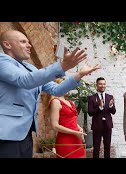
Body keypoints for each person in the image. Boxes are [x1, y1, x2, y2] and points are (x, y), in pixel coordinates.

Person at [0, 30, 101, 158]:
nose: (29, 45)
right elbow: (25, 80)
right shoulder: (2, 61)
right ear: (7, 44)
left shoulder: (30, 68)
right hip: (5, 135)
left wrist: (79, 75)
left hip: (25, 135)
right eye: (23, 41)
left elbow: (57, 90)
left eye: (28, 42)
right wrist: (62, 66)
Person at [48, 78, 86, 158]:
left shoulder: (70, 102)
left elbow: (71, 121)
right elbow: (54, 125)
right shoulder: (56, 101)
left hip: (76, 138)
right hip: (65, 140)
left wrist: (79, 128)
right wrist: (74, 132)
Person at [88, 77, 116, 158]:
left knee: (107, 147)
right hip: (97, 126)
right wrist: (99, 107)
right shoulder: (92, 98)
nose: (102, 86)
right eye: (100, 84)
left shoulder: (110, 97)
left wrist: (111, 105)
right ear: (96, 85)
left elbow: (113, 112)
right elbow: (90, 112)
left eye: (104, 84)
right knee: (96, 148)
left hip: (108, 126)